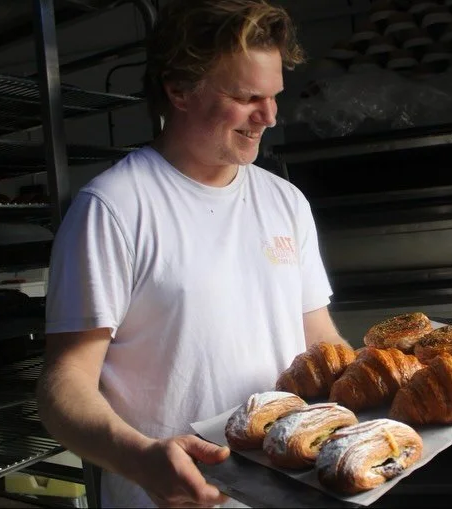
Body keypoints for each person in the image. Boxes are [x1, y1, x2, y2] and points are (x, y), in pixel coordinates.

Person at [36, 1, 349, 507]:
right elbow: (62, 388)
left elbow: (320, 342)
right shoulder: (115, 208)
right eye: (247, 96)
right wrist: (140, 458)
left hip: (290, 493)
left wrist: (380, 398)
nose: (268, 116)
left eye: (273, 96)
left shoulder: (285, 201)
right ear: (179, 89)